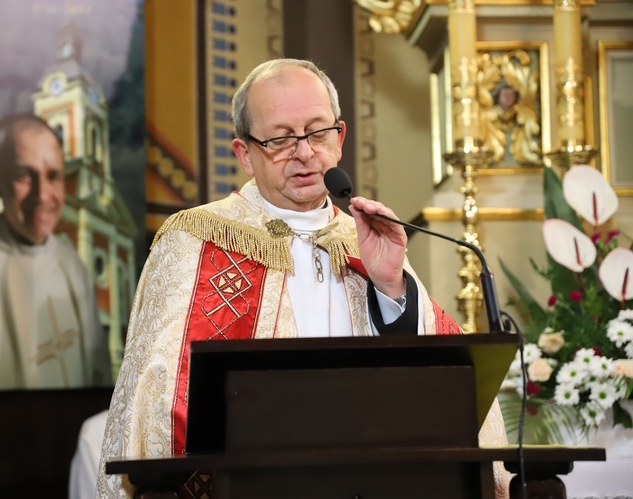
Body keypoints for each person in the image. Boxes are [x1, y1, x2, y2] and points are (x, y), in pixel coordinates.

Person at [96, 59, 510, 497]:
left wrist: (391, 289)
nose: (305, 153)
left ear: (340, 138)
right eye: (280, 139)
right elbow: (155, 391)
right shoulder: (196, 239)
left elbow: (439, 387)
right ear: (244, 154)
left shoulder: (368, 236)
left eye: (317, 133)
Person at [0, 113, 112, 391]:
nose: (42, 195)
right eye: (24, 175)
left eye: (53, 176)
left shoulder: (71, 263)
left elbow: (99, 372)